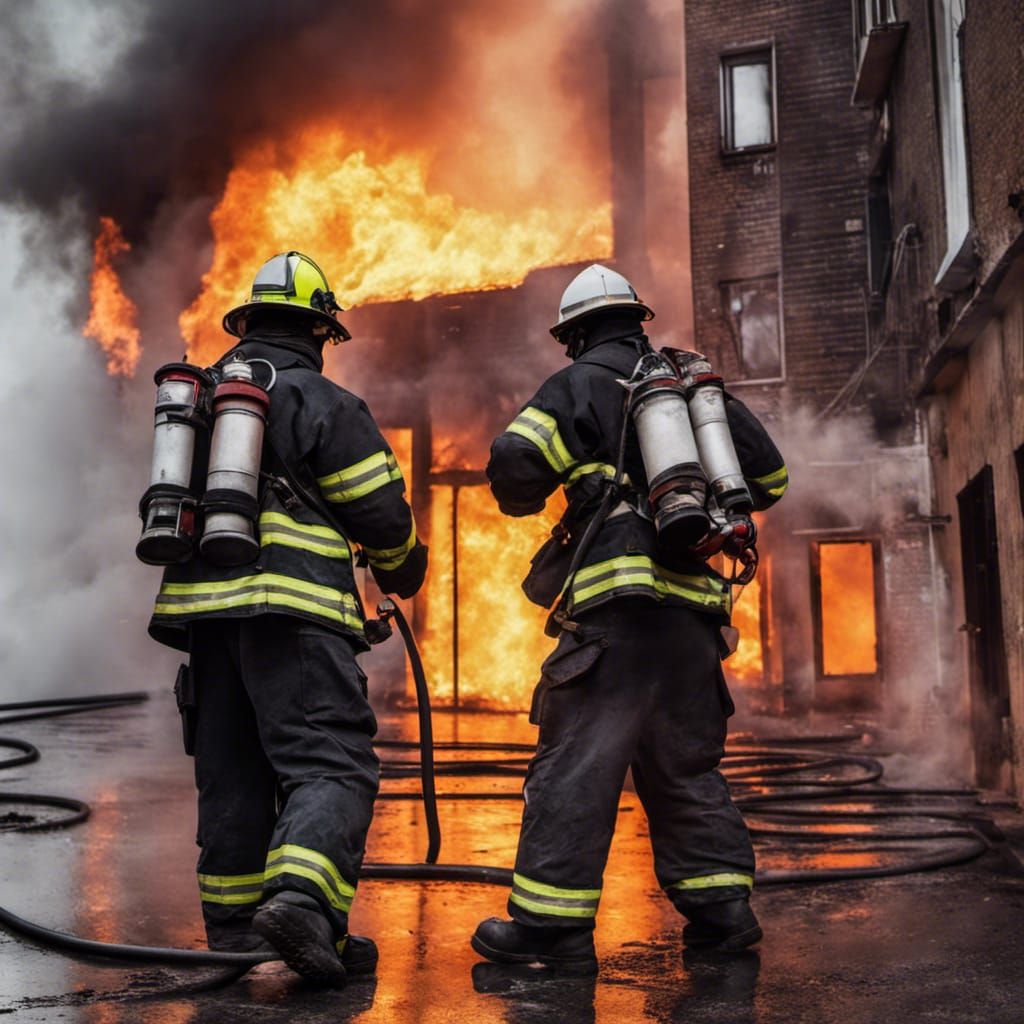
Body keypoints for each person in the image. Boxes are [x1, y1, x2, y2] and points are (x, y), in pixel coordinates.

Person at [471, 264, 788, 973]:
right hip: (690, 626)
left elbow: (515, 468)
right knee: (685, 767)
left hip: (615, 617)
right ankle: (723, 915)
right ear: (638, 321)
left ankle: (551, 930)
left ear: (575, 333)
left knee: (576, 766)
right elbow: (770, 480)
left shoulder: (578, 383)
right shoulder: (692, 391)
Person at [146, 251, 427, 987]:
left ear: (247, 325)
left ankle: (237, 935)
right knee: (332, 761)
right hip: (295, 612)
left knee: (231, 770)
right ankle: (302, 905)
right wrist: (404, 568)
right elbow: (382, 515)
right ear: (319, 330)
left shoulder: (200, 399)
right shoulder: (323, 403)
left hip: (205, 619)